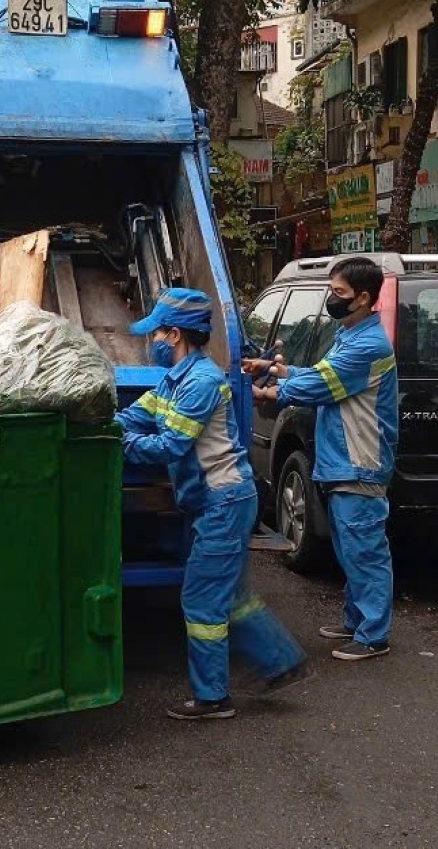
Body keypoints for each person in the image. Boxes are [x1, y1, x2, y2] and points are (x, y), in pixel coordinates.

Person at [117, 288, 308, 720]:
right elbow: (137, 416)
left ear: (176, 334)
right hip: (216, 500)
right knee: (231, 593)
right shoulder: (173, 379)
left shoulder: (202, 382)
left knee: (202, 600)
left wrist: (120, 443)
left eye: (158, 333)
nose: (154, 342)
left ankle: (212, 698)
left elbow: (171, 445)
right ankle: (280, 661)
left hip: (223, 500)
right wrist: (107, 423)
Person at [248, 257, 398, 661]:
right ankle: (356, 620)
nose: (331, 300)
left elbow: (323, 384)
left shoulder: (368, 345)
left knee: (364, 550)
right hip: (341, 459)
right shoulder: (350, 335)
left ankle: (373, 635)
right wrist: (275, 370)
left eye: (339, 294)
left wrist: (271, 391)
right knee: (350, 547)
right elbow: (320, 372)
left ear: (364, 298)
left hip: (360, 460)